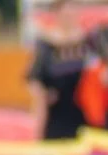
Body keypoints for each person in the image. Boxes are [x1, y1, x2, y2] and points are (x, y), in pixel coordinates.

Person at [27, 0, 91, 140]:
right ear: (56, 12)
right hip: (56, 115)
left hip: (86, 113)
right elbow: (35, 81)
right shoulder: (46, 44)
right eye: (65, 10)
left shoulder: (88, 41)